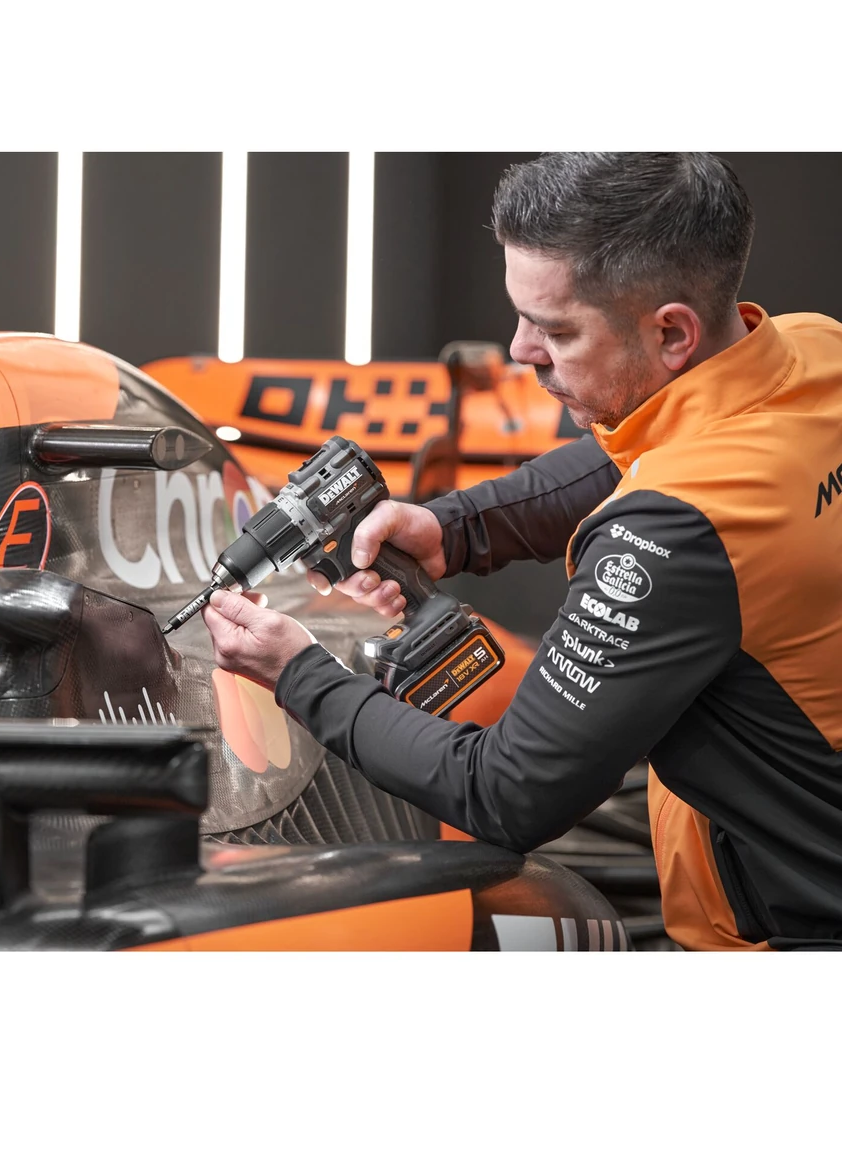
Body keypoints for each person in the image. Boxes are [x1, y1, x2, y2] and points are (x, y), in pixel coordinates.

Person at [201, 152, 842, 952]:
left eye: (556, 330)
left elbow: (507, 792)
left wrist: (300, 675)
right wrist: (454, 528)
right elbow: (637, 453)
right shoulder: (813, 351)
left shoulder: (673, 532)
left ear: (672, 332)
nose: (520, 351)